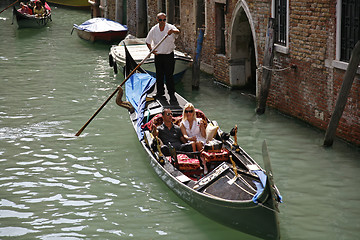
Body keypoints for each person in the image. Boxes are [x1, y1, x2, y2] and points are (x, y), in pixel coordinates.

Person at [145, 13, 180, 100]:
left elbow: (178, 32)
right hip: (159, 56)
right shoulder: (154, 29)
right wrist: (151, 50)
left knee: (169, 75)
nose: (162, 22)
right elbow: (147, 41)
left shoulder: (170, 27)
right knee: (159, 75)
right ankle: (160, 92)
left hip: (169, 55)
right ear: (157, 20)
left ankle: (171, 93)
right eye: (160, 20)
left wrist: (172, 31)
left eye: (164, 20)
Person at [180, 103, 208, 173]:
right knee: (193, 143)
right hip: (190, 140)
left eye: (190, 111)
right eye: (186, 111)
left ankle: (204, 164)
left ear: (193, 112)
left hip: (200, 139)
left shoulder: (199, 121)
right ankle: (196, 161)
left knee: (198, 143)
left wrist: (202, 127)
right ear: (184, 113)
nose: (188, 113)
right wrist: (190, 139)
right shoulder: (182, 123)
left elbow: (204, 135)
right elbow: (185, 136)